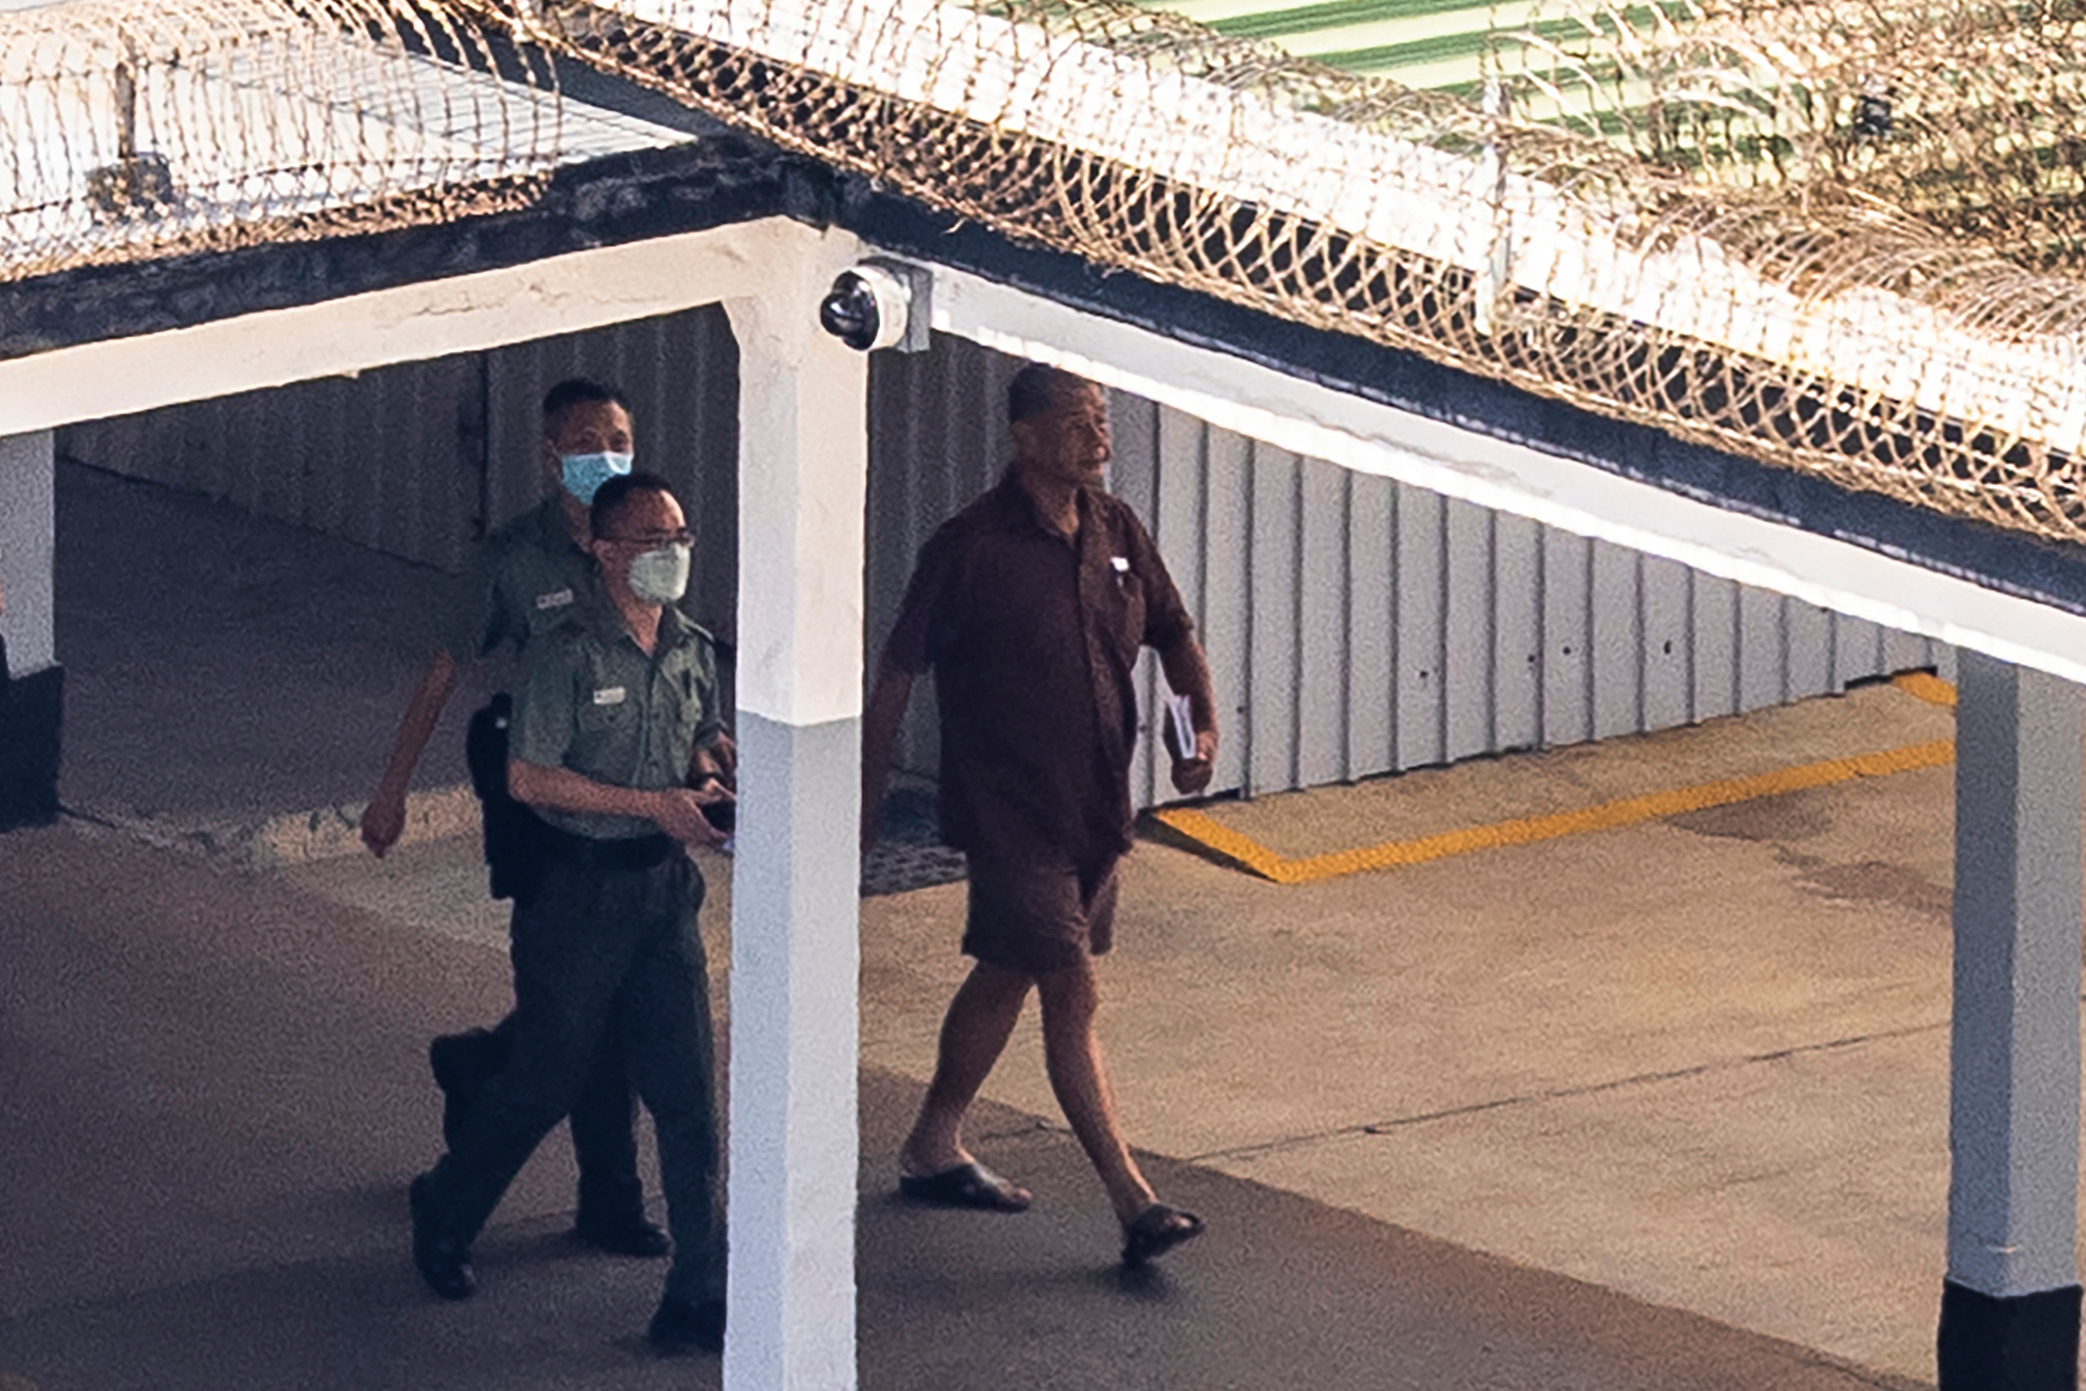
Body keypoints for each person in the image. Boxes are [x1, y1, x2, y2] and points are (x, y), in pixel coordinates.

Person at [860, 363, 1221, 1267]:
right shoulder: (969, 546)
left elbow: (1174, 633)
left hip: (1098, 809)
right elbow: (897, 671)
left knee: (1008, 972)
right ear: (1024, 436)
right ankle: (1133, 1200)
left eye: (1101, 417)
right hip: (1010, 815)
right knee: (1072, 989)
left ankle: (932, 1142)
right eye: (1076, 421)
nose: (1097, 434)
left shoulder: (1117, 528)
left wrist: (1200, 726)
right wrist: (863, 798)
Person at [408, 471, 734, 1354]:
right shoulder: (562, 650)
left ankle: (698, 1292)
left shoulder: (692, 644)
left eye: (681, 539)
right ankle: (446, 1205)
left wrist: (707, 769)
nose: (671, 557)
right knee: (546, 1077)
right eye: (652, 543)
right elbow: (529, 777)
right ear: (604, 551)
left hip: (662, 893)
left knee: (689, 1101)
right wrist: (650, 804)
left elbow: (700, 728)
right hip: (578, 893)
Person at [363, 378, 667, 1257]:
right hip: (534, 788)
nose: (604, 453)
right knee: (574, 1002)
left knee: (591, 1003)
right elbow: (443, 668)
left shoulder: (646, 534)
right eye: (585, 441)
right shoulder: (513, 558)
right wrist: (391, 790)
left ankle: (495, 1082)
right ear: (550, 455)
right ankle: (582, 1182)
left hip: (624, 790)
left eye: (617, 436)